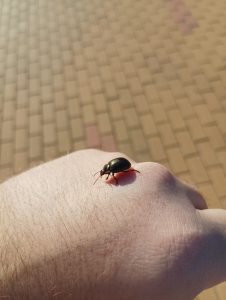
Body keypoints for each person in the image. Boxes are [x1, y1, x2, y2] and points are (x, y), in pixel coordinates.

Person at [0, 149, 225, 300]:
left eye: (107, 174)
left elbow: (122, 170)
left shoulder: (114, 171)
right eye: (107, 174)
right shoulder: (110, 169)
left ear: (108, 172)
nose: (107, 176)